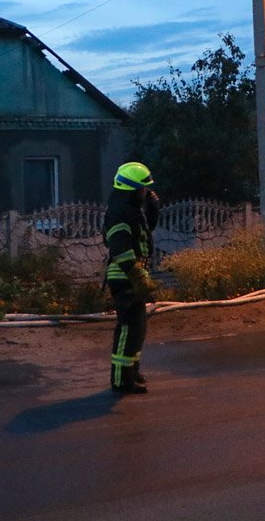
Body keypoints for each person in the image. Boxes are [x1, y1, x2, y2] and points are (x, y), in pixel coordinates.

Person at [102, 161, 161, 395]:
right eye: (143, 190)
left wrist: (153, 208)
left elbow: (145, 233)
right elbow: (119, 247)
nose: (145, 193)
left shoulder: (130, 211)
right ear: (132, 190)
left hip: (132, 276)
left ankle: (131, 371)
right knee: (128, 327)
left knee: (138, 327)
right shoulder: (119, 213)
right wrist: (137, 275)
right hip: (124, 277)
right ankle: (120, 380)